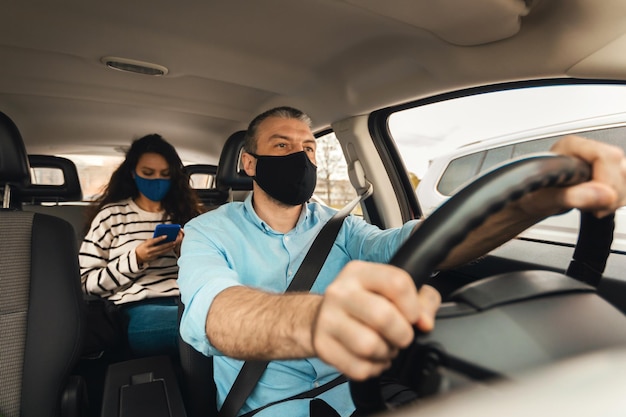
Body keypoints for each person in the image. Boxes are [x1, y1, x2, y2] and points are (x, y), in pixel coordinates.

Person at [177, 106, 626, 416]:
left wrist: (527, 205)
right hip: (269, 408)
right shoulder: (208, 231)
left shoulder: (340, 227)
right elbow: (213, 310)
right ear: (249, 164)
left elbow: (414, 246)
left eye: (309, 148)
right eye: (281, 146)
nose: (301, 157)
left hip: (359, 395)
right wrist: (318, 319)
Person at [80, 133, 204, 358]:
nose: (157, 180)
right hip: (137, 309)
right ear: (132, 173)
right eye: (148, 173)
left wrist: (184, 253)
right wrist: (136, 259)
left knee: (214, 319)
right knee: (211, 326)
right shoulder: (111, 216)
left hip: (191, 301)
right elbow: (86, 283)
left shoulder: (188, 215)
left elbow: (209, 271)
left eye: (165, 175)